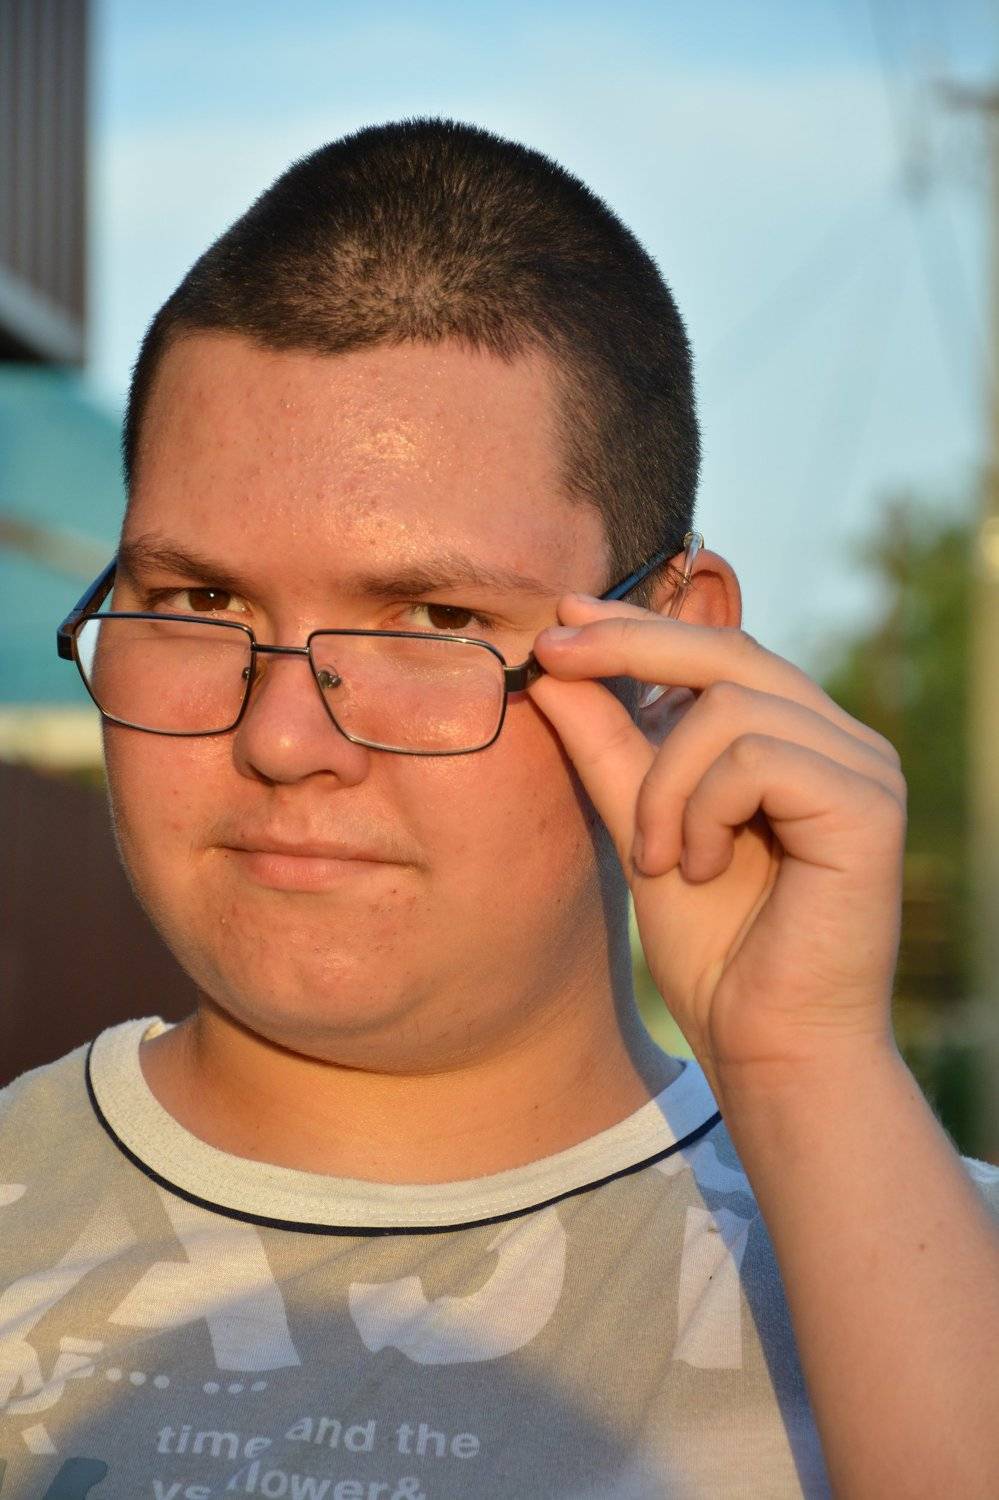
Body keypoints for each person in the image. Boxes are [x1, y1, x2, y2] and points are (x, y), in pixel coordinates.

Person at [2, 118, 997, 1500]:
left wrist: (806, 1067)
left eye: (433, 618)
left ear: (670, 653)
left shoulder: (944, 1296)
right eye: (198, 599)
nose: (282, 738)